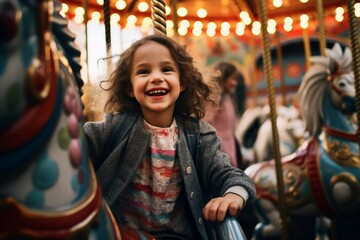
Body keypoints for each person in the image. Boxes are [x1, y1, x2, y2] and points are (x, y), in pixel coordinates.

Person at [83, 34, 255, 240]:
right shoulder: (115, 127)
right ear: (129, 88)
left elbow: (228, 174)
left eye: (166, 69)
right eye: (144, 71)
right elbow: (75, 145)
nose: (156, 77)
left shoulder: (199, 136)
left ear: (182, 82)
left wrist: (233, 195)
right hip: (123, 234)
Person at [203, 61, 242, 168]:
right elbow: (206, 123)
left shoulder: (227, 97)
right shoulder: (213, 98)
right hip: (220, 148)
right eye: (233, 79)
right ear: (224, 77)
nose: (235, 83)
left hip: (230, 145)